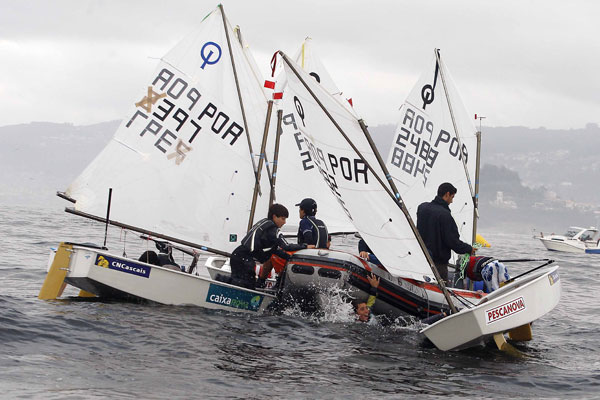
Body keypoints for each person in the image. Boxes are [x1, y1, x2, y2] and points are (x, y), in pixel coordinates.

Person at [230, 203, 314, 289]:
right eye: (283, 219)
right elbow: (286, 246)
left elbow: (275, 250)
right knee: (247, 286)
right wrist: (305, 246)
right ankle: (220, 282)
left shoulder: (264, 223)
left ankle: (220, 280)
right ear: (274, 217)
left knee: (240, 282)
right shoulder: (273, 230)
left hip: (237, 255)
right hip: (244, 259)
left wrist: (290, 257)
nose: (284, 222)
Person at [417, 182, 475, 283]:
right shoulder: (445, 215)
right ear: (447, 194)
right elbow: (453, 242)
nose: (452, 201)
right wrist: (469, 249)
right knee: (441, 291)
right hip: (438, 265)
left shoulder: (422, 208)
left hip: (420, 260)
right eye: (452, 197)